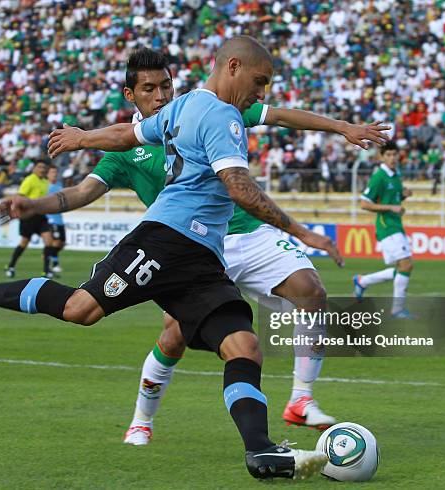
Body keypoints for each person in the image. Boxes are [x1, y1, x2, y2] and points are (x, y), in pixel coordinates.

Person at [0, 36, 330, 481]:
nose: (263, 92)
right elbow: (238, 186)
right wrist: (300, 230)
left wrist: (82, 138)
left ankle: (262, 452)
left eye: (164, 85)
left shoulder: (185, 106)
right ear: (233, 67)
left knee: (243, 347)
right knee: (80, 309)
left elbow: (128, 133)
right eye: (260, 81)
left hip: (204, 257)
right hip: (165, 239)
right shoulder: (219, 114)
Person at [43, 48, 388, 446]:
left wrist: (341, 126)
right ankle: (141, 419)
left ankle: (300, 399)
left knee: (311, 291)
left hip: (246, 230)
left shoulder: (207, 110)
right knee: (173, 335)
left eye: (166, 86)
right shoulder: (131, 147)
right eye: (150, 89)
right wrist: (52, 183)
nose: (160, 95)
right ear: (131, 95)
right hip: (190, 246)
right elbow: (91, 182)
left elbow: (277, 115)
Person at [353, 141, 416, 319]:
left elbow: (393, 197)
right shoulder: (379, 176)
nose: (392, 158)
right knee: (406, 264)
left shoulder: (396, 175)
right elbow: (365, 203)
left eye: (395, 154)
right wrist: (391, 207)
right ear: (382, 156)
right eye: (388, 155)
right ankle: (397, 310)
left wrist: (403, 195)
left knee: (401, 269)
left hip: (396, 225)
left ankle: (362, 281)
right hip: (386, 226)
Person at [4, 161, 54, 278]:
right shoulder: (29, 180)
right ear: (34, 169)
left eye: (44, 167)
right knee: (24, 243)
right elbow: (20, 196)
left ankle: (46, 271)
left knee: (49, 241)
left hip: (40, 215)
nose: (42, 169)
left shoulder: (45, 182)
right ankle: (11, 266)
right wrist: (17, 211)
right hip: (28, 216)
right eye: (39, 167)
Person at [46, 165, 66, 275]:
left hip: (59, 219)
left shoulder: (59, 185)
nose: (54, 174)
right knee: (56, 241)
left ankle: (48, 255)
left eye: (55, 172)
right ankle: (54, 264)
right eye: (52, 172)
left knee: (61, 243)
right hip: (50, 219)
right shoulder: (45, 186)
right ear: (48, 174)